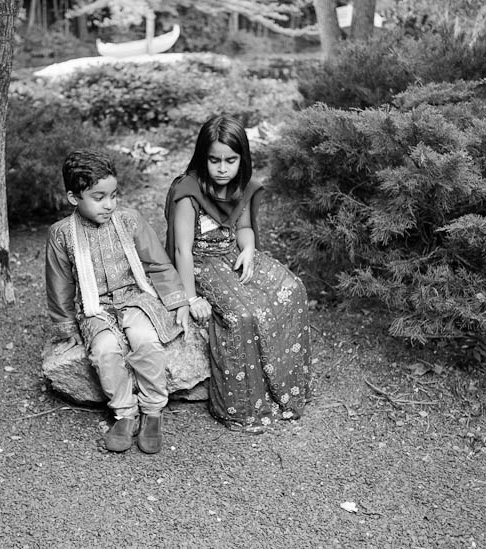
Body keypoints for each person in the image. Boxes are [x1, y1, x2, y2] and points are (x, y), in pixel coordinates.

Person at [164, 115, 312, 433]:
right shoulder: (188, 193)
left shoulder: (240, 187)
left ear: (241, 159)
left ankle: (289, 390)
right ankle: (244, 406)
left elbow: (243, 228)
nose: (222, 168)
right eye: (214, 160)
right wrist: (189, 297)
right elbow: (181, 250)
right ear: (202, 158)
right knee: (243, 314)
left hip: (232, 253)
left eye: (230, 160)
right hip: (201, 261)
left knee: (293, 288)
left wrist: (248, 248)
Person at [46, 149, 190, 453]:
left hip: (136, 299)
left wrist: (178, 301)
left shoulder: (129, 220)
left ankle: (152, 410)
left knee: (146, 340)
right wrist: (66, 327)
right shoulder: (61, 235)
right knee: (104, 350)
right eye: (99, 197)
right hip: (94, 309)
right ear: (74, 198)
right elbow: (60, 283)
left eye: (114, 195)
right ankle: (124, 413)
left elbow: (158, 265)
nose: (109, 204)